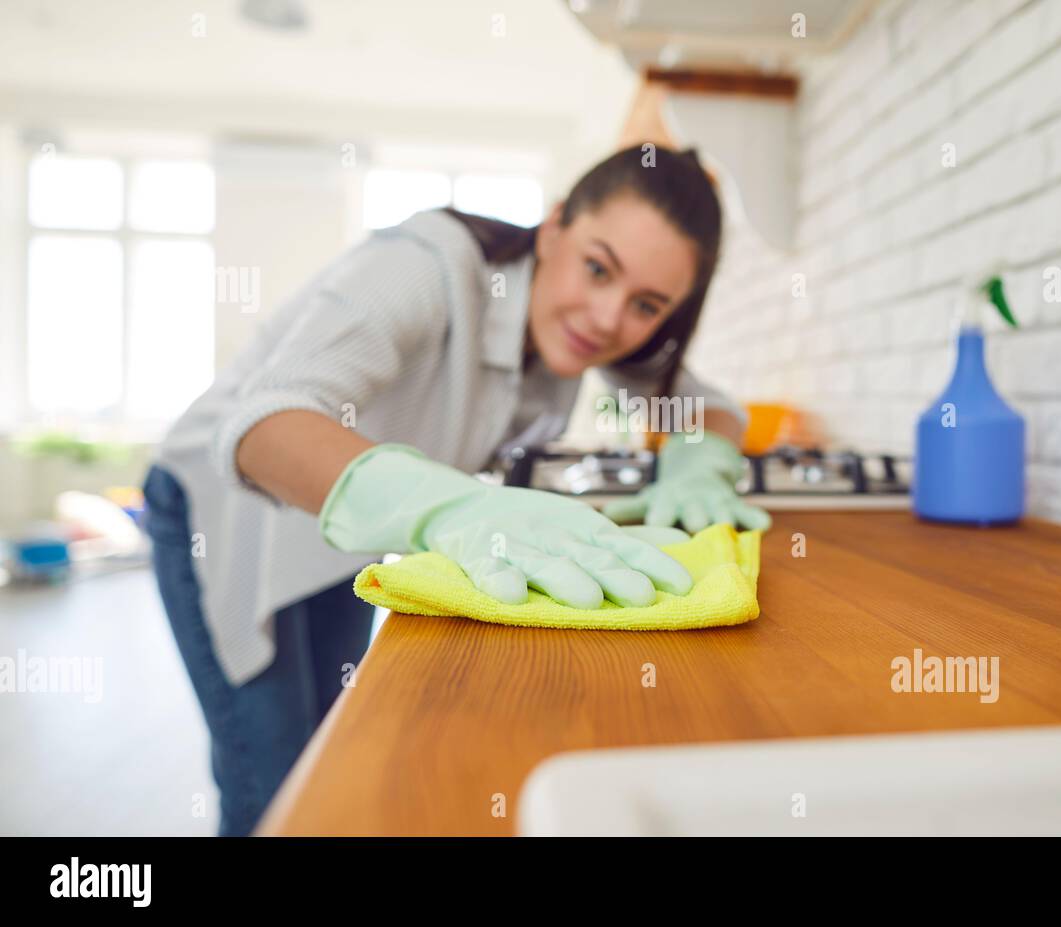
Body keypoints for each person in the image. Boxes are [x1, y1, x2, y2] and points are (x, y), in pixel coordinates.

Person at [141, 144, 771, 836]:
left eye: (645, 304)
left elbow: (708, 408)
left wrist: (699, 462)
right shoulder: (424, 265)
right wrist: (456, 508)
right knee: (271, 784)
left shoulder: (579, 335)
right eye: (597, 267)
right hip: (223, 509)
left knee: (331, 749)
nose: (605, 317)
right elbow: (263, 427)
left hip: (337, 530)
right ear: (555, 225)